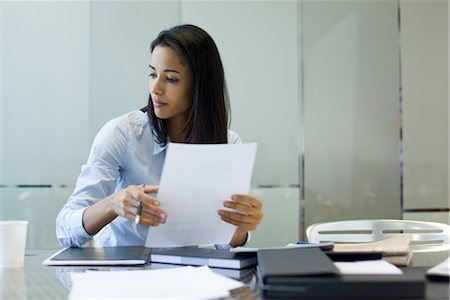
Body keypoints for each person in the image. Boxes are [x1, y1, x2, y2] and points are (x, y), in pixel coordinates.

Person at [56, 24, 263, 248]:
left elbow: (224, 243)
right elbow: (65, 230)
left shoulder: (228, 143)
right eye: (153, 74)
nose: (155, 88)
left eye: (171, 79)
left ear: (200, 86)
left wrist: (240, 228)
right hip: (122, 273)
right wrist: (114, 204)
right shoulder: (122, 133)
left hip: (188, 273)